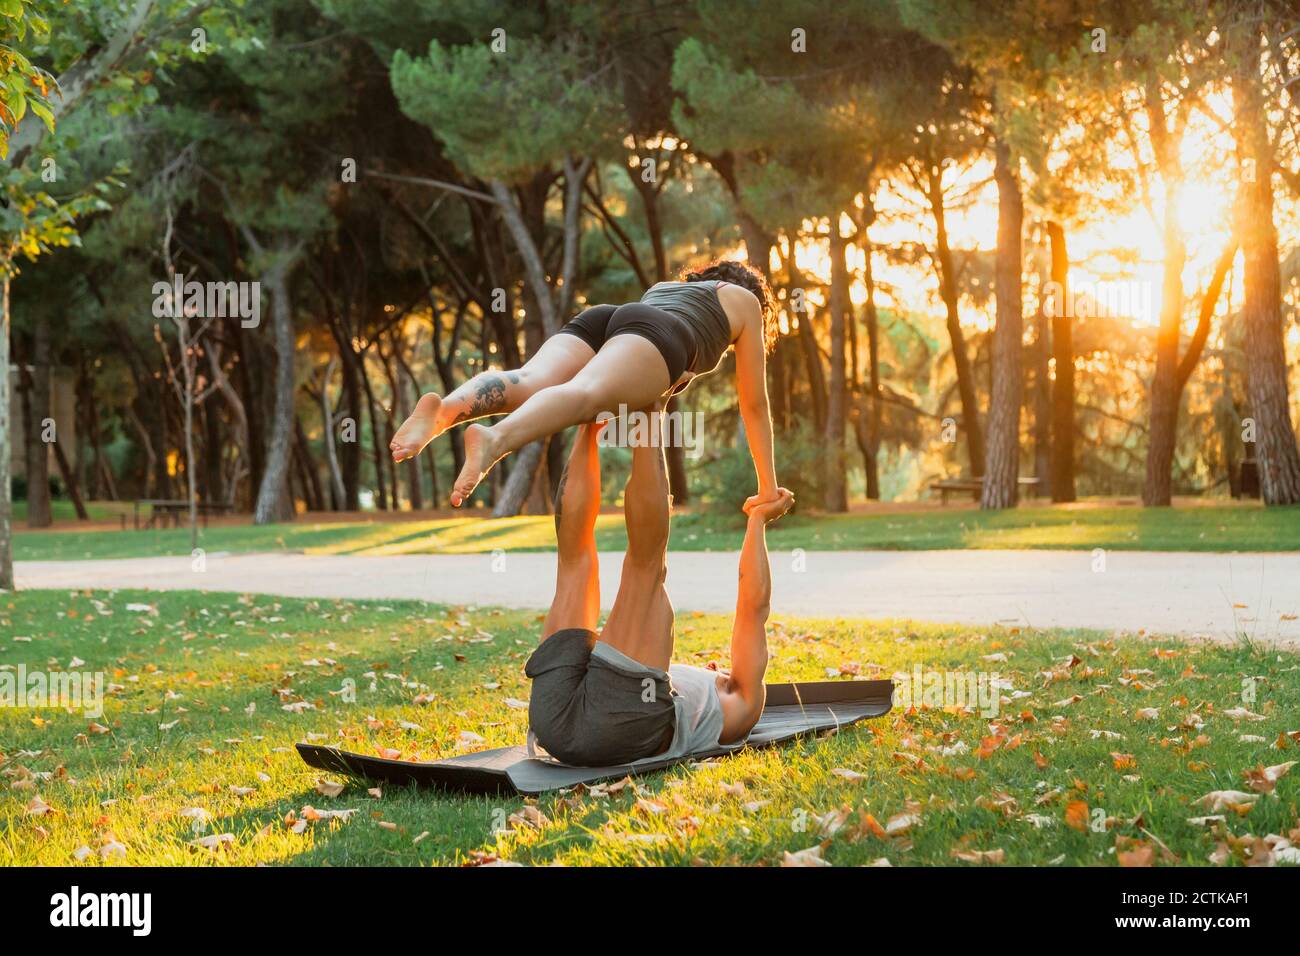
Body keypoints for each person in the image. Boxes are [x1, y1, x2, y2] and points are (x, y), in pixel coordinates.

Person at [389, 260, 781, 512]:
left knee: (530, 378)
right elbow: (754, 405)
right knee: (585, 394)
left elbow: (639, 359)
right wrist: (768, 487)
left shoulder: (665, 288)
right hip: (661, 334)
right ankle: (495, 441)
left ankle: (442, 413)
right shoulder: (745, 300)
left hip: (609, 317)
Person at [523, 404, 794, 767]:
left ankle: (649, 405)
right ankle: (590, 419)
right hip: (556, 720)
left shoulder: (745, 701)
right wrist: (756, 523)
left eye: (718, 669)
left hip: (611, 724)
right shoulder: (714, 701)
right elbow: (752, 608)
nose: (715, 664)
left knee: (642, 565)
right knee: (581, 561)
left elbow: (753, 607)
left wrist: (759, 520)